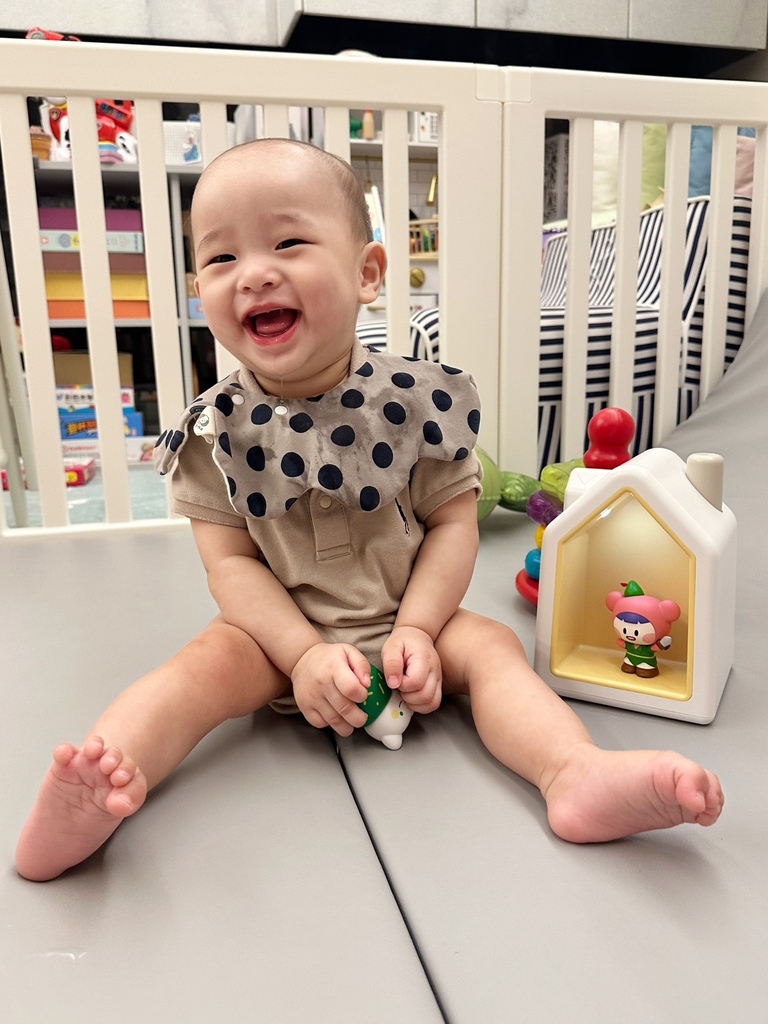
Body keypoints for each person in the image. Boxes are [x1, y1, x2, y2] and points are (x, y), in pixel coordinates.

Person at [15, 139, 724, 882]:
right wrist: (301, 655)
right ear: (201, 292)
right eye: (221, 258)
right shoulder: (214, 434)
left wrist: (417, 626)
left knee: (493, 650)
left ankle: (572, 772)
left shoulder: (417, 403)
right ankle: (101, 783)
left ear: (367, 273)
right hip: (273, 639)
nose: (253, 273)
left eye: (288, 243)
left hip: (413, 619)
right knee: (195, 673)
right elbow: (231, 568)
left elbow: (452, 526)